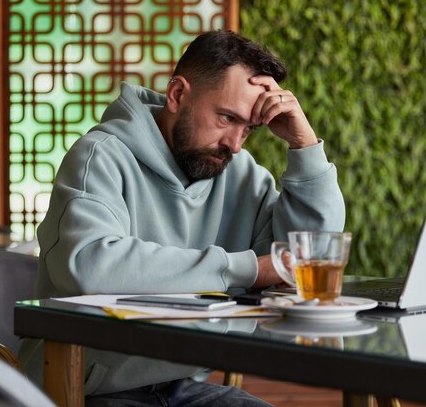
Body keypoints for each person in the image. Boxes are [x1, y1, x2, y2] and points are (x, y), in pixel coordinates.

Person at [19, 30, 345, 406]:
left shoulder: (240, 173)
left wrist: (303, 146)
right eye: (226, 118)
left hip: (182, 386)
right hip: (81, 390)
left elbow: (303, 258)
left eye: (249, 129)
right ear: (177, 95)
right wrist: (246, 269)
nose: (235, 144)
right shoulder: (99, 157)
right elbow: (93, 266)